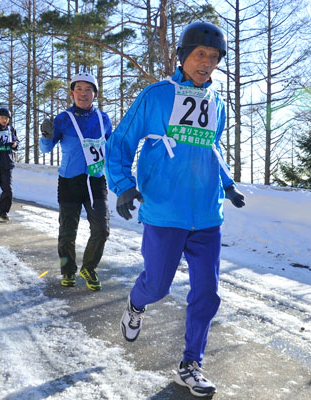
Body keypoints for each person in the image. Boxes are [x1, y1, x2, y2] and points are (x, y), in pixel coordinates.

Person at [105, 21, 246, 398]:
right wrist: (122, 186)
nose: (206, 63)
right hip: (164, 211)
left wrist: (228, 184)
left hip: (206, 214)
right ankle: (136, 304)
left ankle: (191, 363)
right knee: (157, 285)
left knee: (208, 293)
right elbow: (120, 143)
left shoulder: (217, 103)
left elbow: (212, 148)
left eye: (214, 57)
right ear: (182, 56)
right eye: (200, 54)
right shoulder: (155, 96)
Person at [40, 72, 112, 291]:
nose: (83, 94)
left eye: (88, 89)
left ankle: (89, 268)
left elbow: (111, 148)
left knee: (102, 228)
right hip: (70, 181)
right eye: (79, 89)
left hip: (96, 181)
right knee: (67, 232)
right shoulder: (62, 119)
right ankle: (67, 270)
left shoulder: (103, 119)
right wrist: (46, 135)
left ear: (95, 94)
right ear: (72, 93)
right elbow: (45, 149)